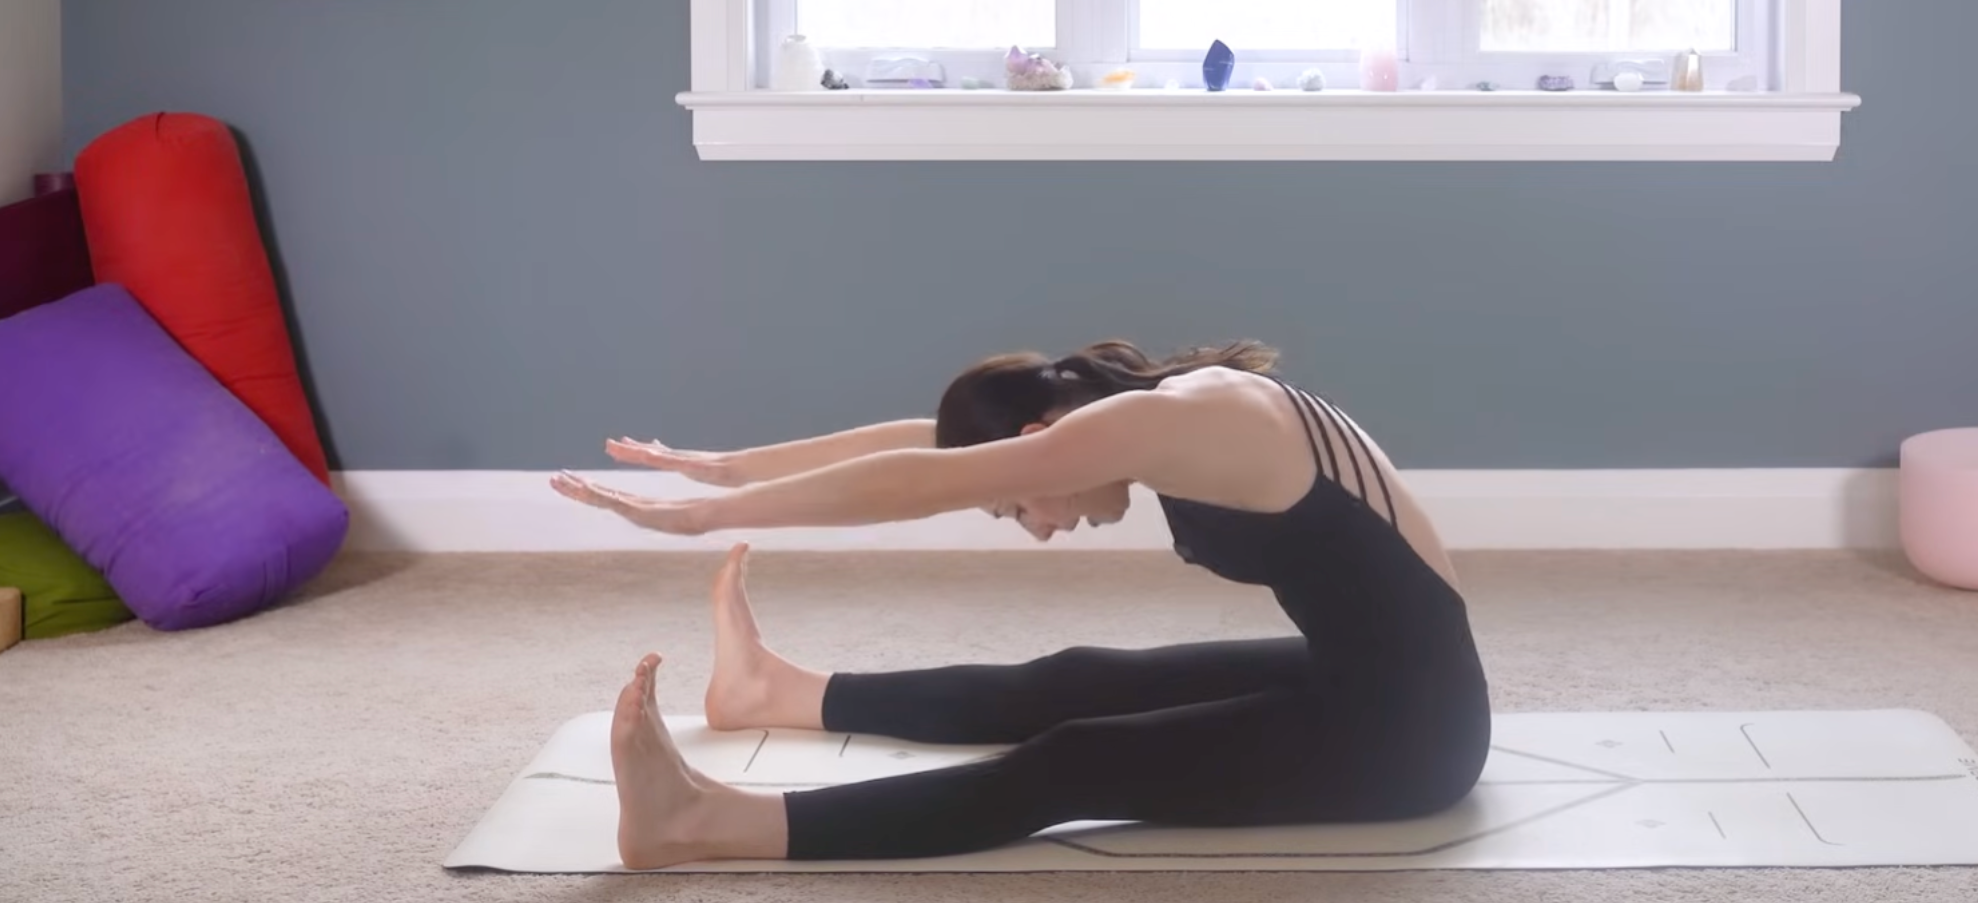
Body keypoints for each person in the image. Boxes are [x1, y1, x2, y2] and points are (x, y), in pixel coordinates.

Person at [548, 339, 1491, 869]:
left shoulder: (1173, 423)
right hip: (1365, 681)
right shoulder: (1168, 409)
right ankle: (779, 695)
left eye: (1015, 503)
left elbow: (916, 482)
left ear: (1043, 436)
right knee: (1078, 682)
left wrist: (706, 517)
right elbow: (920, 447)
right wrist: (727, 466)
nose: (1036, 527)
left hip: (1415, 737)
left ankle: (710, 825)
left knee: (1076, 762)